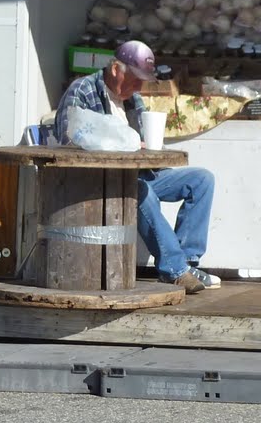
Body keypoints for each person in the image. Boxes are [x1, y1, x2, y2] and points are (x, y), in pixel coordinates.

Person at [53, 39, 220, 294]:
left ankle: (187, 263)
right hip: (101, 180)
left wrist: (147, 146)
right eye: (135, 79)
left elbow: (141, 141)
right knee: (141, 191)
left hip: (139, 173)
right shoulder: (82, 90)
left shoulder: (133, 99)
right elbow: (68, 140)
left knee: (201, 180)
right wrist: (121, 146)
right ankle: (175, 271)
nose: (138, 87)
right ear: (115, 69)